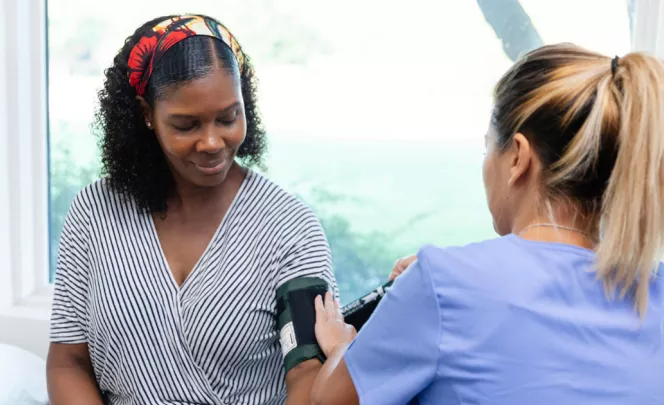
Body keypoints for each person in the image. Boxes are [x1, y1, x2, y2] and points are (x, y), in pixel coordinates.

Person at [310, 43, 664, 405]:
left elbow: (327, 401)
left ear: (518, 158)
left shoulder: (442, 283)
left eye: (487, 149)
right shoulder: (657, 288)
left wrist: (343, 345)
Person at [46, 14, 337, 405]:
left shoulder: (290, 227)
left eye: (229, 117)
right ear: (147, 114)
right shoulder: (95, 212)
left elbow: (310, 372)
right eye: (186, 125)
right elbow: (68, 364)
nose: (213, 142)